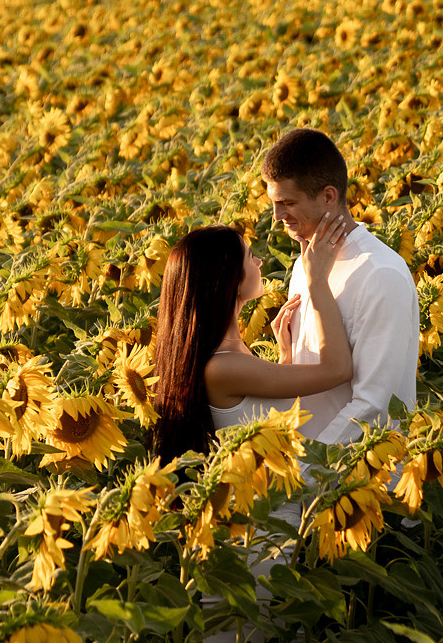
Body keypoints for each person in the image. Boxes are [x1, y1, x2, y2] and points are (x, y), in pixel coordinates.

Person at [149, 215, 357, 462]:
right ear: (229, 279)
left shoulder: (226, 355)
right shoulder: (222, 367)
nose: (259, 261)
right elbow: (338, 370)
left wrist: (285, 358)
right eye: (249, 257)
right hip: (266, 498)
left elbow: (256, 414)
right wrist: (317, 281)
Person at [261, 128, 420, 445]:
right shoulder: (303, 265)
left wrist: (308, 474)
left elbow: (376, 405)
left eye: (287, 202)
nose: (277, 216)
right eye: (274, 203)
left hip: (358, 481)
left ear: (328, 197)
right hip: (305, 476)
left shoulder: (380, 275)